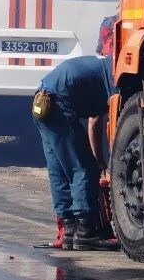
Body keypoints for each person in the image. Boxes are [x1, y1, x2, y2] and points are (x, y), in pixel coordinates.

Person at [32, 53, 115, 250]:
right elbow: (105, 121)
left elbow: (95, 121)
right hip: (58, 104)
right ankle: (86, 232)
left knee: (59, 171)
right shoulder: (115, 74)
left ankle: (69, 232)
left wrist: (101, 161)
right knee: (82, 168)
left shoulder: (102, 68)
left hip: (41, 104)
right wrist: (107, 163)